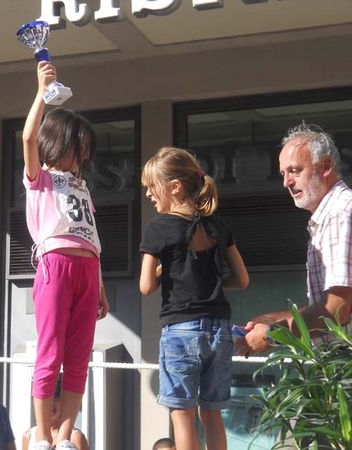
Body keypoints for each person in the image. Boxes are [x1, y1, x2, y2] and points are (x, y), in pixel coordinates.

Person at [22, 61, 110, 450]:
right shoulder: (39, 177)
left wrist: (102, 284)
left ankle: (64, 433)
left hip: (88, 268)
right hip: (54, 263)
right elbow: (27, 138)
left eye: (85, 152)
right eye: (78, 149)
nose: (81, 157)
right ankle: (41, 434)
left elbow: (91, 235)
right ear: (58, 143)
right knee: (50, 351)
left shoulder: (82, 186)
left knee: (78, 357)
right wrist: (42, 92)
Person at [139, 147, 249, 450]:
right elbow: (242, 279)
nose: (148, 194)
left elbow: (146, 286)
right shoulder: (217, 224)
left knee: (182, 414)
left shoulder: (157, 228)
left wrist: (162, 269)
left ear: (174, 187)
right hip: (220, 330)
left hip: (180, 330)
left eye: (151, 187)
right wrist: (211, 283)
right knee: (212, 413)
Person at [238, 123, 352, 353]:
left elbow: (337, 310)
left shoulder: (340, 212)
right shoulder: (330, 213)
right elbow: (327, 306)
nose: (286, 182)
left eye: (295, 170)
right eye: (283, 173)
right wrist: (273, 318)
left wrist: (272, 335)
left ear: (326, 166)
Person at [22, 374, 89, 450]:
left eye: (56, 396)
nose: (51, 403)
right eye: (46, 398)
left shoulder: (75, 437)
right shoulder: (29, 436)